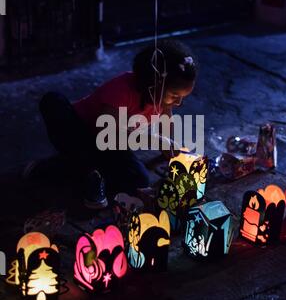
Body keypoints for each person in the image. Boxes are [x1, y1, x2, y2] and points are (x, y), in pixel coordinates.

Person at [28, 39, 197, 208]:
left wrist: (171, 149)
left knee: (139, 179)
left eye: (183, 97)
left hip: (110, 147)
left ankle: (83, 169)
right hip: (83, 133)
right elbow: (107, 134)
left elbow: (165, 125)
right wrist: (154, 140)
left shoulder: (161, 100)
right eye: (175, 95)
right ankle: (75, 170)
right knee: (53, 101)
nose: (179, 103)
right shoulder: (121, 90)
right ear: (153, 84)